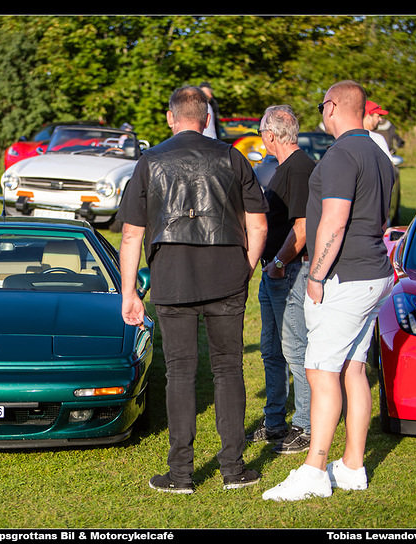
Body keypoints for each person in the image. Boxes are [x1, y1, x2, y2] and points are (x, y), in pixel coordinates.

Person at [118, 86, 269, 494]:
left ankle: (181, 474)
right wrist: (245, 269)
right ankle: (233, 469)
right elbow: (258, 225)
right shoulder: (233, 157)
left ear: (171, 117)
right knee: (228, 369)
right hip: (226, 274)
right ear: (206, 118)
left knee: (181, 372)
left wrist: (129, 293)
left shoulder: (150, 161)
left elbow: (131, 234)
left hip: (173, 276)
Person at [262, 80, 395, 501]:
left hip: (345, 278)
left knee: (321, 371)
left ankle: (314, 470)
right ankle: (353, 465)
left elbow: (334, 222)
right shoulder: (379, 154)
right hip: (375, 273)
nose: (321, 112)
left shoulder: (341, 155)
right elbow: (381, 221)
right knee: (353, 369)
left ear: (333, 106)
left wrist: (316, 276)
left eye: (322, 106)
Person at [248, 105, 314, 455]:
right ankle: (274, 420)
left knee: (295, 350)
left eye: (262, 134)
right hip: (274, 272)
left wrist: (278, 263)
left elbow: (302, 228)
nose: (263, 139)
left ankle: (305, 424)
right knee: (272, 350)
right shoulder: (284, 168)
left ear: (270, 135)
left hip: (289, 272)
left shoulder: (300, 169)